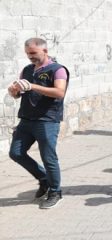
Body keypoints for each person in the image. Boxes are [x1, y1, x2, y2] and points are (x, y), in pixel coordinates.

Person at [7, 38, 69, 209]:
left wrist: (32, 86)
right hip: (26, 120)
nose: (30, 57)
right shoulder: (26, 70)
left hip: (47, 121)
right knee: (16, 153)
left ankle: (55, 192)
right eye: (27, 53)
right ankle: (44, 179)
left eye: (33, 53)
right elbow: (20, 94)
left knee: (48, 158)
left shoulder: (58, 70)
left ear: (45, 51)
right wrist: (14, 92)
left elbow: (59, 92)